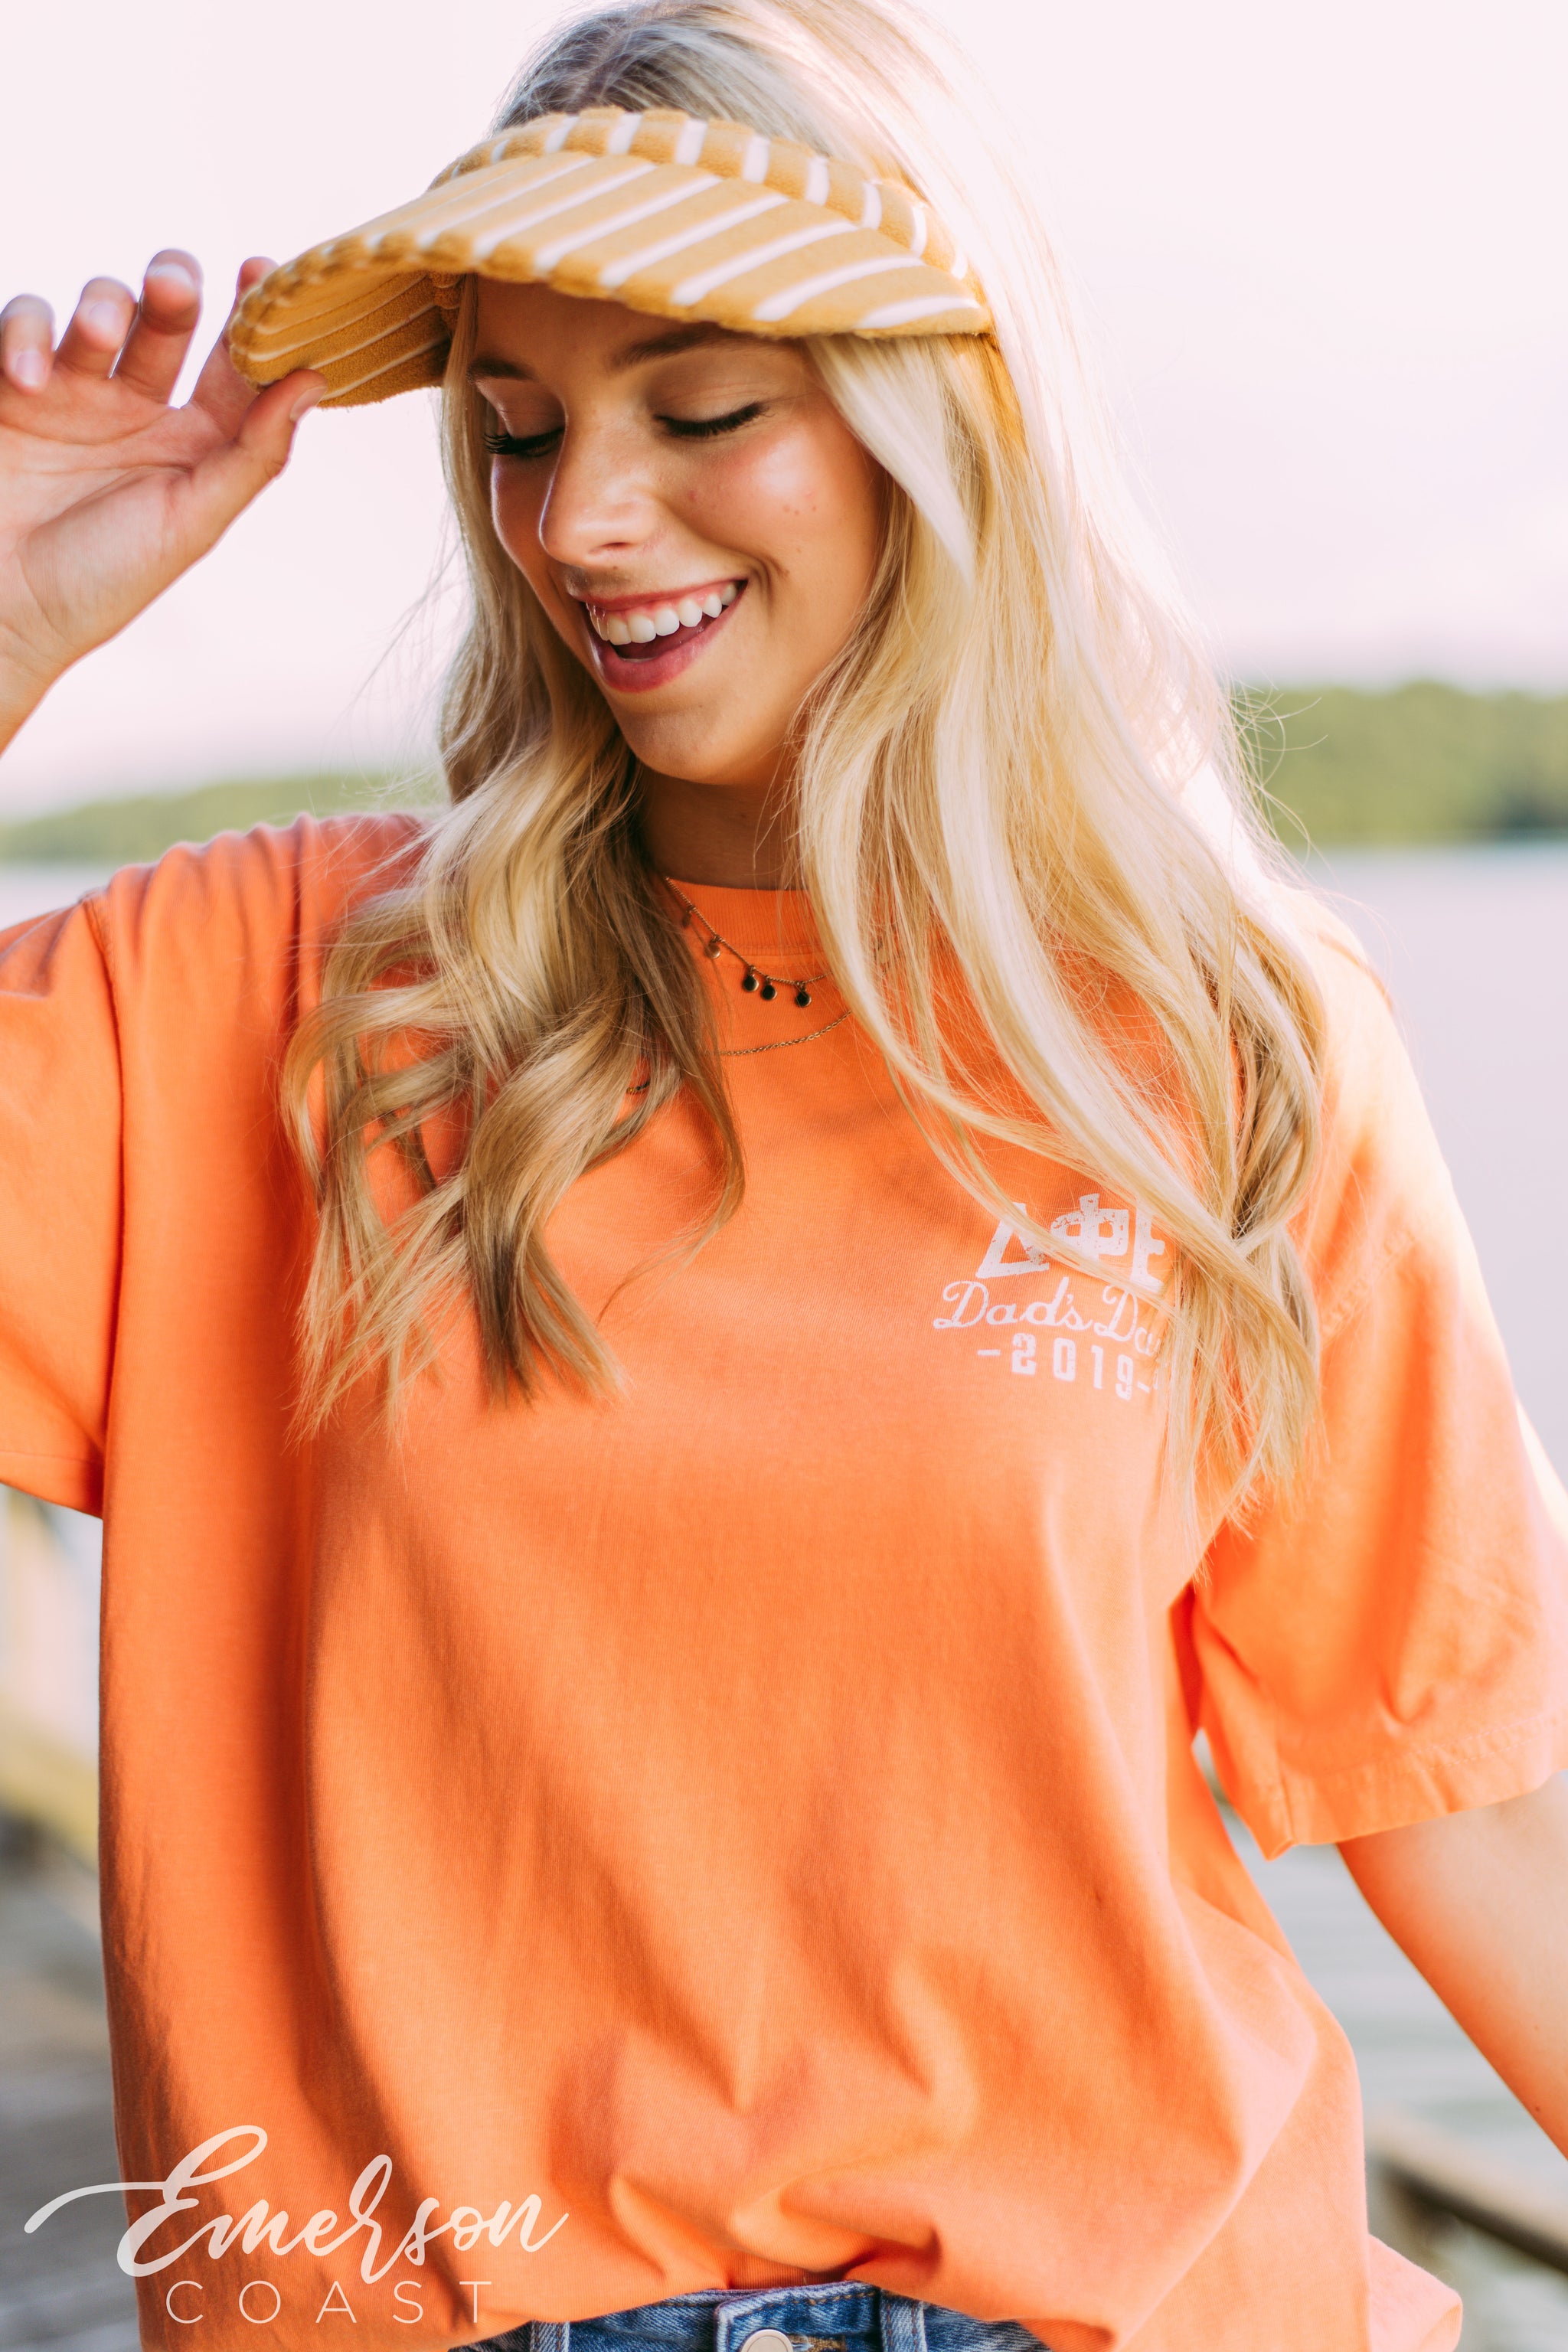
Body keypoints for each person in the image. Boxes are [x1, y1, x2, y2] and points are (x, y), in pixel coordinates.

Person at [2, 4, 1565, 2350]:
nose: (580, 521)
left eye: (702, 409)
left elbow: (1457, 1787)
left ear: (940, 425)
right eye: (517, 429)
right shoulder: (271, 998)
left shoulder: (1228, 1041)